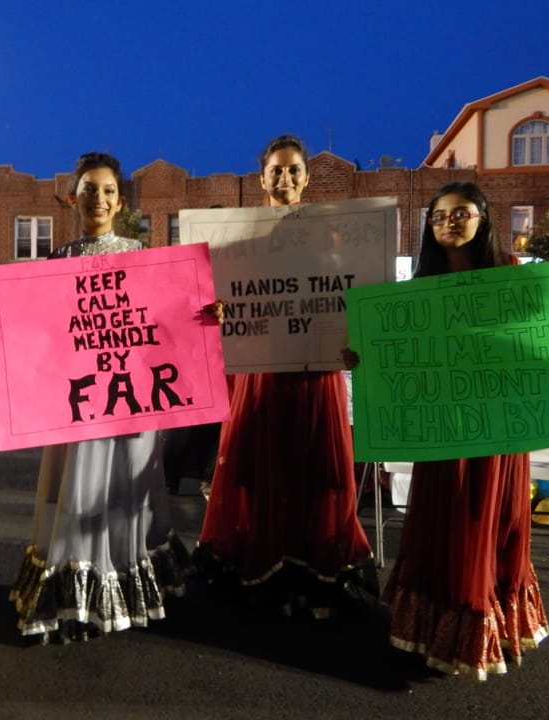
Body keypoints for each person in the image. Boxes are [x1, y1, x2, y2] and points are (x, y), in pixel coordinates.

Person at [378, 181, 549, 679]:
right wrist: (361, 355)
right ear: (430, 225)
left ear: (483, 218)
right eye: (439, 215)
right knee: (440, 519)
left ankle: (480, 625)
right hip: (443, 429)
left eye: (461, 212)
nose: (450, 222)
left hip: (497, 432)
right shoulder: (419, 287)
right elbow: (395, 354)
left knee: (484, 522)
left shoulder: (512, 274)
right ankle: (430, 628)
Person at [10, 152, 191, 643]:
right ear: (73, 197)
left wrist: (203, 315)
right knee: (79, 489)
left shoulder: (139, 253)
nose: (99, 199)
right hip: (79, 402)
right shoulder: (58, 260)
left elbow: (165, 323)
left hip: (128, 400)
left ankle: (124, 581)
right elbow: (40, 332)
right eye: (89, 189)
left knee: (126, 491)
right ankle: (77, 588)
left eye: (108, 190)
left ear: (120, 200)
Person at [193, 135, 377, 618]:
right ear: (262, 179)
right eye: (276, 170)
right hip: (262, 370)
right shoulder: (242, 237)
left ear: (306, 178)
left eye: (294, 170)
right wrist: (217, 308)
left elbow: (349, 293)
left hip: (315, 373)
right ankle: (265, 557)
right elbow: (221, 294)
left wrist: (357, 338)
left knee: (314, 467)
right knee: (262, 465)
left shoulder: (330, 234)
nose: (285, 178)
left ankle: (316, 564)